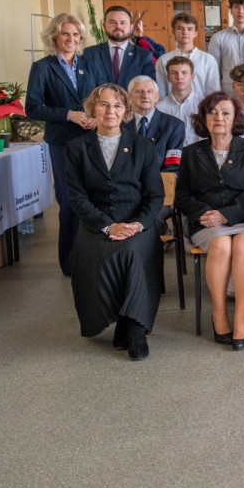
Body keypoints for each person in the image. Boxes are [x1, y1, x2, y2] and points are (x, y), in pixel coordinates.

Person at [66, 84, 163, 361]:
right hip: (97, 223)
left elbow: (155, 195)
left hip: (137, 221)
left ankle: (134, 327)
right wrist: (108, 226)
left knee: (132, 251)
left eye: (118, 105)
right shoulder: (76, 148)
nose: (111, 111)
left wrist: (138, 224)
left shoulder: (142, 146)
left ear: (126, 111)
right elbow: (76, 197)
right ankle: (121, 318)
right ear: (92, 109)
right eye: (104, 104)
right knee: (99, 252)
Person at [175, 92, 244, 350]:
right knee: (221, 245)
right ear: (203, 118)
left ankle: (241, 317)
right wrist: (206, 214)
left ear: (235, 118)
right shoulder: (191, 152)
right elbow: (182, 196)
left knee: (243, 244)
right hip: (206, 221)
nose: (219, 117)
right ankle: (219, 313)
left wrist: (227, 214)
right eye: (213, 112)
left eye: (226, 112)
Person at [25, 12, 96, 276]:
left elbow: (101, 94)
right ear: (54, 36)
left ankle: (93, 255)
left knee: (93, 197)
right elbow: (33, 107)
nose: (71, 39)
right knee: (69, 200)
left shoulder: (89, 64)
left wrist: (95, 117)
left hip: (92, 139)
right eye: (65, 33)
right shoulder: (42, 67)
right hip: (62, 143)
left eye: (76, 34)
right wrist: (69, 115)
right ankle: (70, 261)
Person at [87, 5, 157, 89]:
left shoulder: (144, 56)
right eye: (112, 22)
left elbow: (149, 89)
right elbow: (86, 88)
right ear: (104, 27)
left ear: (131, 27)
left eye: (123, 23)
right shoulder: (90, 54)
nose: (118, 26)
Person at [127, 76, 184, 171]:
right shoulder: (120, 123)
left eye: (150, 91)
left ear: (157, 97)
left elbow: (172, 167)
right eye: (139, 91)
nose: (145, 96)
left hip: (159, 179)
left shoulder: (174, 125)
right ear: (129, 97)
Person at [156, 12, 218, 100]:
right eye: (180, 28)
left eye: (189, 29)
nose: (185, 32)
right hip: (171, 107)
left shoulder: (208, 59)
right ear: (173, 31)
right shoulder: (163, 60)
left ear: (195, 33)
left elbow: (213, 91)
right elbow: (161, 91)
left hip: (200, 107)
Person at [156, 55, 203, 146]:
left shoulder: (203, 105)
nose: (179, 77)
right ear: (168, 77)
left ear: (192, 77)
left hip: (198, 153)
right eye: (174, 73)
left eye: (184, 72)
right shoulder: (159, 108)